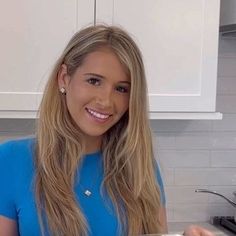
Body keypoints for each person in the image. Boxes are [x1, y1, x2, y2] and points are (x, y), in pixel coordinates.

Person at [0, 25, 214, 236]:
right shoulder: (11, 160)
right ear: (64, 78)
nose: (106, 101)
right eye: (94, 81)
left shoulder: (141, 165)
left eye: (121, 88)